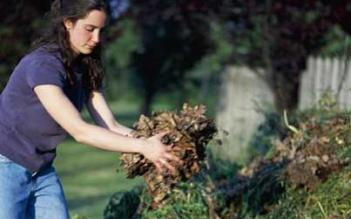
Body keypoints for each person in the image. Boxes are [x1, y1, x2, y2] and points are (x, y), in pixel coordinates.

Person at [0, 0, 179, 218]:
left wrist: (151, 142)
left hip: (41, 169)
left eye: (101, 31)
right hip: (5, 165)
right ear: (68, 23)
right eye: (89, 29)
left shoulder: (85, 67)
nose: (97, 39)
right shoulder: (43, 65)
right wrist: (142, 146)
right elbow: (80, 131)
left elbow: (109, 124)